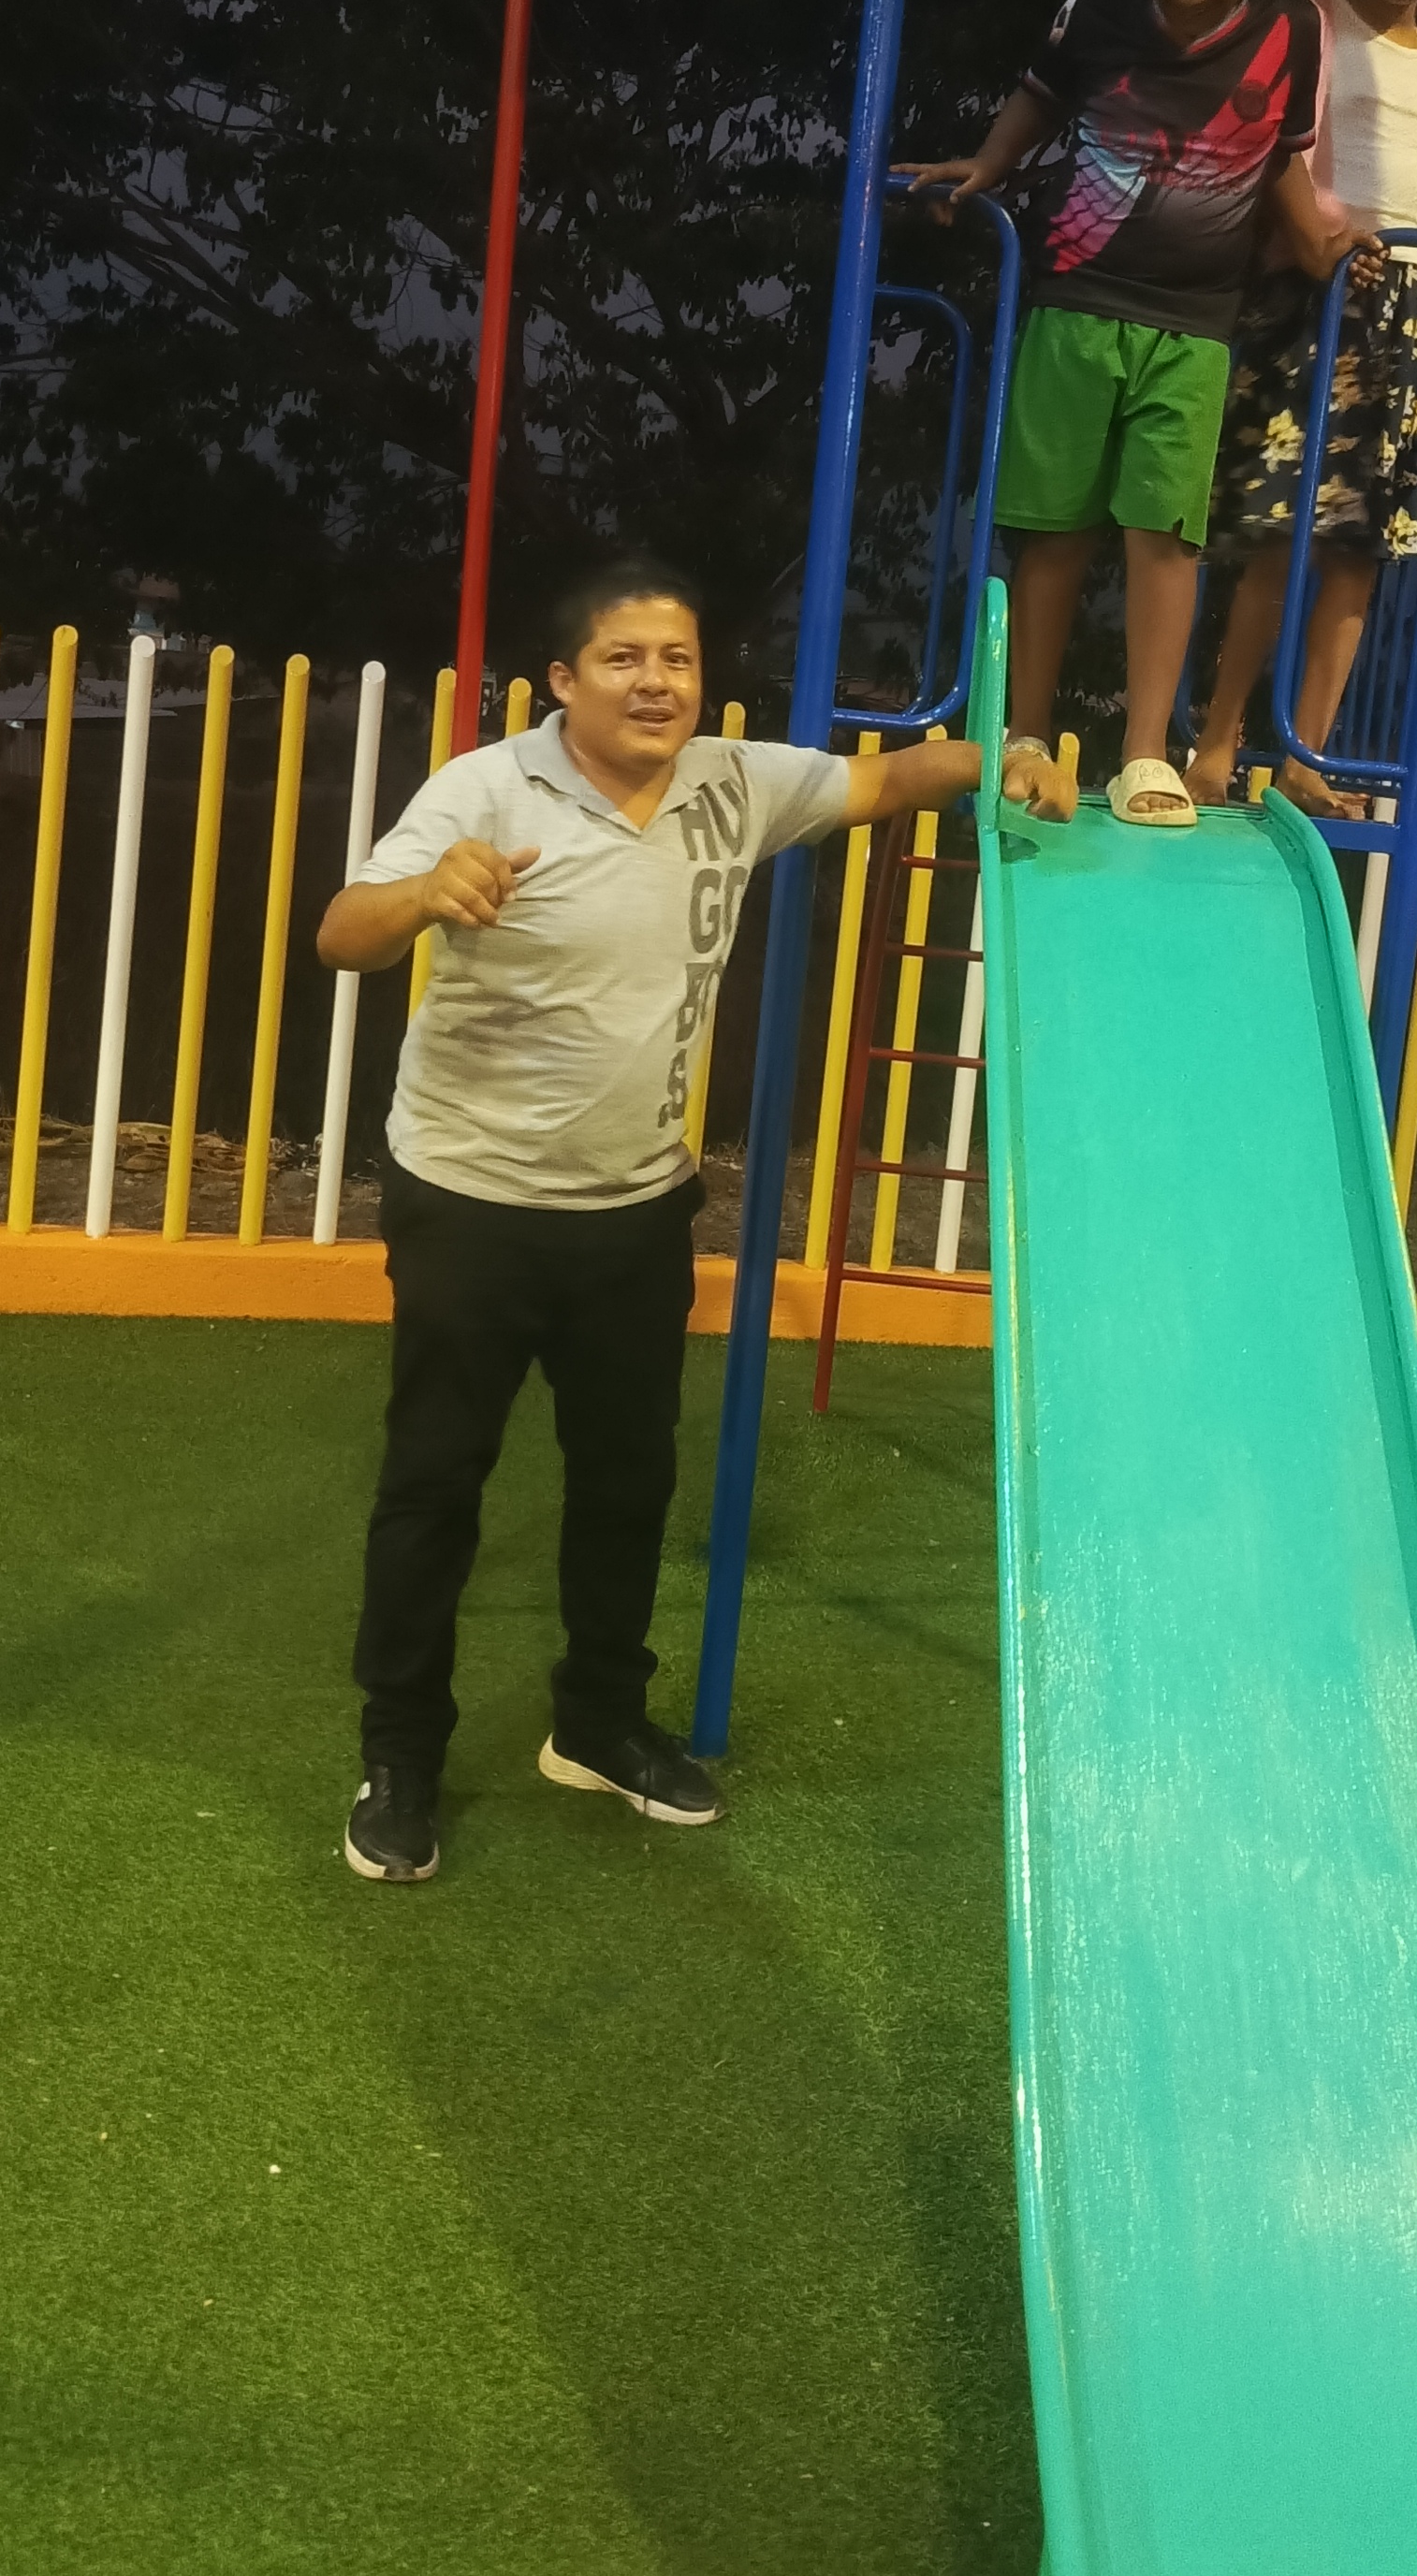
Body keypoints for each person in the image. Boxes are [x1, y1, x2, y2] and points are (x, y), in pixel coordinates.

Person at [315, 553, 1071, 1881]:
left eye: (676, 658)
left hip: (635, 1211)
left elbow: (895, 778)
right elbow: (342, 932)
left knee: (628, 1481)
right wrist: (426, 895)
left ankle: (598, 1725)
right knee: (434, 1485)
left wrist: (1006, 757)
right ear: (565, 681)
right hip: (472, 1204)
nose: (656, 682)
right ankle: (402, 1755)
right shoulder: (486, 788)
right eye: (624, 659)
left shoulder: (735, 782)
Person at [905, 0, 1373, 829]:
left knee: (1167, 534)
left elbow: (1283, 154)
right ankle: (1026, 734)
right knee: (1055, 529)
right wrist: (986, 166)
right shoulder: (1095, 14)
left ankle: (1144, 754)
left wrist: (1319, 244)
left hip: (1196, 325)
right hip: (1076, 305)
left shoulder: (1291, 28)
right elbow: (1036, 100)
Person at [1185, 0, 1417, 815]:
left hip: (1409, 299)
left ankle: (1305, 757)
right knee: (1285, 529)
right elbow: (1271, 148)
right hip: (1324, 290)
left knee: (1360, 544)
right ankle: (1217, 741)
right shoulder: (1312, 20)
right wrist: (1312, 242)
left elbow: (1408, 199)